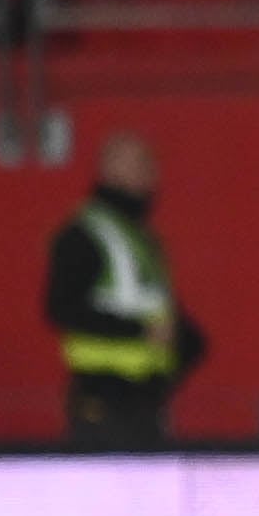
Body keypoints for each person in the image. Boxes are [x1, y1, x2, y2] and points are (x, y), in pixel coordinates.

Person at [45, 130, 205, 444]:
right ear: (111, 168)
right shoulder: (85, 233)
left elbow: (157, 310)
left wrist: (186, 346)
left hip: (147, 400)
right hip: (105, 400)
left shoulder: (139, 237)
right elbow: (61, 308)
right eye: (142, 163)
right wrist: (141, 332)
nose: (153, 173)